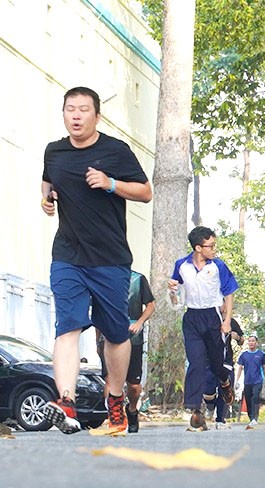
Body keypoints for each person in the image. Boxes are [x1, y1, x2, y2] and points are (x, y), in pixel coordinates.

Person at [41, 87, 153, 435]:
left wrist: (110, 183)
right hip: (68, 256)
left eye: (83, 110)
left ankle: (115, 399)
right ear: (63, 114)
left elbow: (145, 192)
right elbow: (48, 183)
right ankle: (66, 400)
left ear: (97, 116)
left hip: (110, 259)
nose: (76, 115)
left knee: (116, 334)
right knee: (68, 326)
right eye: (70, 109)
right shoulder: (54, 151)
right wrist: (46, 200)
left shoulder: (115, 151)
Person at [169, 226, 239, 430]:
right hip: (192, 317)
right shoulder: (181, 265)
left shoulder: (218, 266)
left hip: (213, 316)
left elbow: (229, 293)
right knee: (196, 363)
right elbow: (177, 294)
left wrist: (227, 321)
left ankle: (225, 381)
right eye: (211, 246)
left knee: (217, 364)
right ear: (199, 247)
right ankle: (195, 411)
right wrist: (172, 290)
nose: (214, 249)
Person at [95, 270, 155, 433]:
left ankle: (132, 409)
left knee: (134, 386)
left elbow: (150, 304)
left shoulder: (137, 279)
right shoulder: (101, 278)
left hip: (132, 335)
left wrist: (140, 322)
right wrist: (97, 339)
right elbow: (97, 310)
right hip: (108, 335)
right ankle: (114, 417)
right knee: (110, 380)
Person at [205, 316, 244, 429]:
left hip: (226, 362)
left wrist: (237, 338)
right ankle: (210, 406)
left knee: (225, 390)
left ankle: (220, 420)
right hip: (209, 361)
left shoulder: (231, 321)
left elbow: (242, 341)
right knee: (208, 391)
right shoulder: (208, 319)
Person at [235, 335, 265, 428]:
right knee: (249, 400)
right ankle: (251, 418)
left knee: (255, 398)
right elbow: (240, 368)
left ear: (256, 343)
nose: (251, 343)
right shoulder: (244, 355)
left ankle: (255, 418)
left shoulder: (261, 355)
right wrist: (237, 380)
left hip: (258, 380)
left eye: (253, 341)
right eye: (249, 341)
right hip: (247, 381)